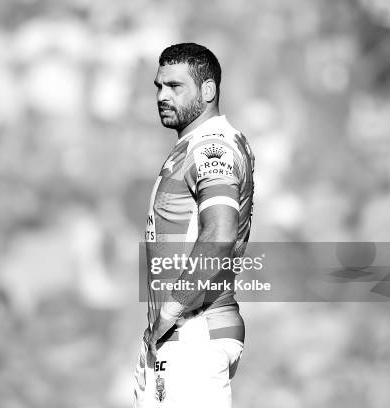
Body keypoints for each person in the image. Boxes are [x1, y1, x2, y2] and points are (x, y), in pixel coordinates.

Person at [133, 43, 255, 408]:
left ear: (208, 91)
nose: (162, 95)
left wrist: (169, 312)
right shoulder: (198, 145)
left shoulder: (210, 148)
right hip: (182, 335)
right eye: (158, 86)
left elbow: (219, 234)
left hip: (193, 330)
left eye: (175, 86)